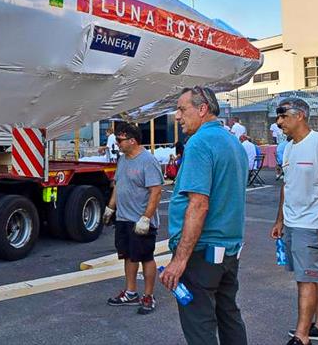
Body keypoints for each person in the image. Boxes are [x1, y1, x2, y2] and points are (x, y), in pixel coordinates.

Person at [160, 86, 248, 345]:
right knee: (229, 315)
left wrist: (179, 260)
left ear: (202, 109)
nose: (177, 116)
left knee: (200, 327)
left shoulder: (199, 143)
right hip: (229, 250)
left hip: (202, 253)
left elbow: (198, 205)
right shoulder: (233, 141)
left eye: (182, 109)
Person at [270, 98, 318, 345]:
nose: (279, 122)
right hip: (292, 223)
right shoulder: (289, 147)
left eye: (283, 116)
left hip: (312, 225)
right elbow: (286, 186)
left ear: (300, 115)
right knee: (312, 275)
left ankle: (302, 337)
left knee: (306, 279)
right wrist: (279, 220)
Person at [104, 122, 164, 315]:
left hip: (141, 221)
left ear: (132, 140)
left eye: (120, 140)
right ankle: (131, 293)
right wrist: (109, 208)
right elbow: (118, 186)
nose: (117, 144)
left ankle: (148, 295)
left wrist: (146, 218)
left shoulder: (148, 161)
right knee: (128, 255)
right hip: (123, 219)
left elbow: (155, 192)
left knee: (146, 257)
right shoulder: (123, 160)